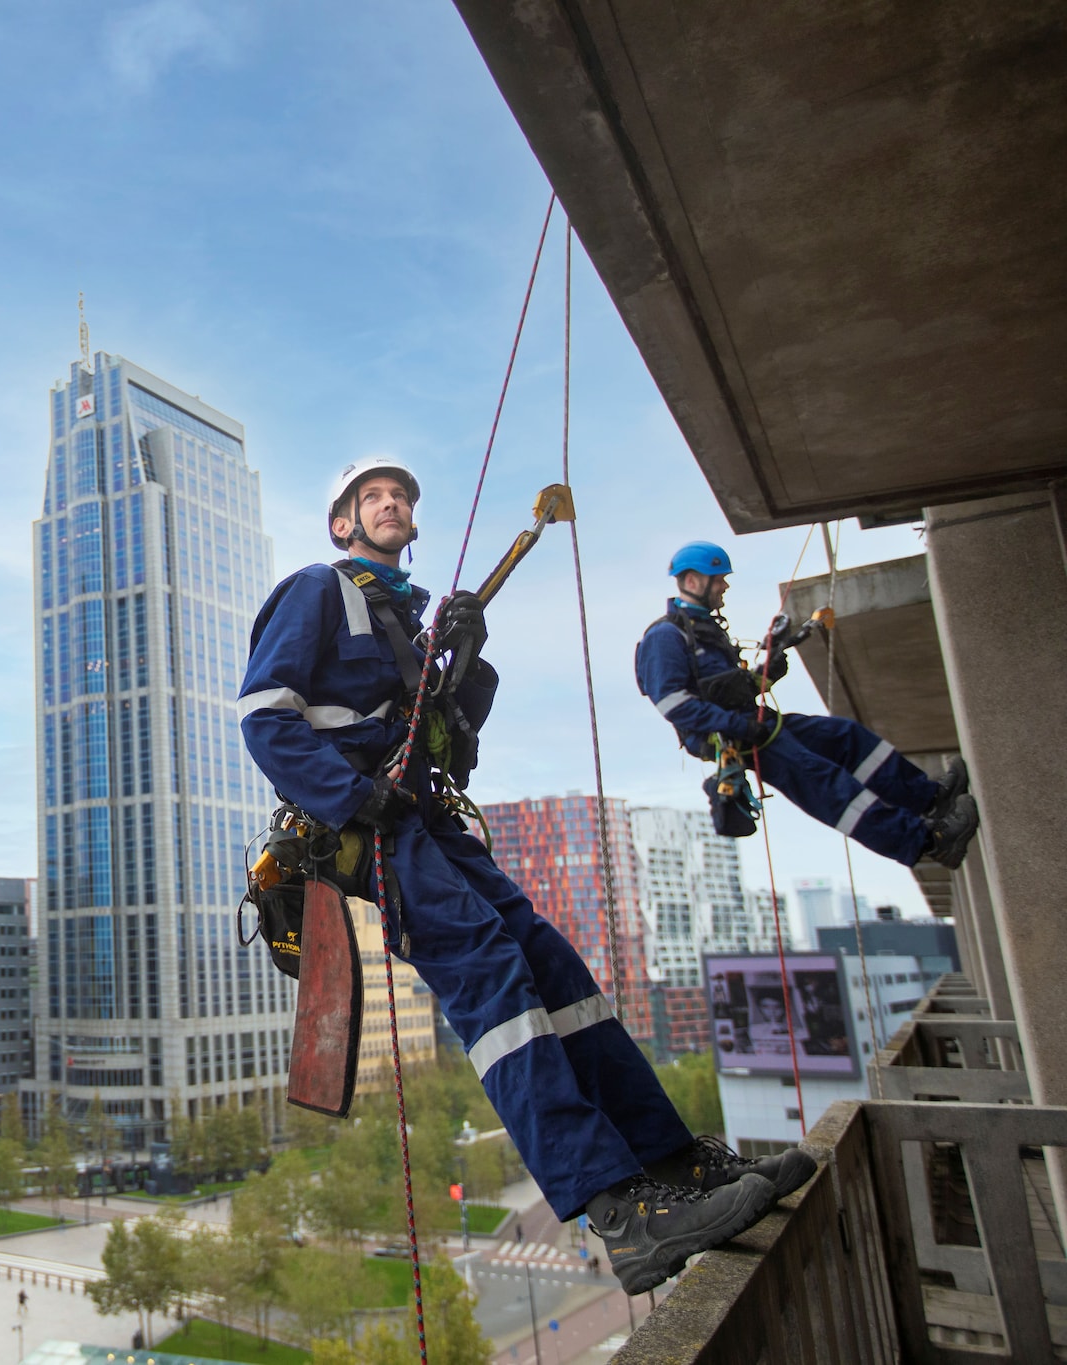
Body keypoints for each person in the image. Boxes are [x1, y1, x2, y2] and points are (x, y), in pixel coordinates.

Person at [238, 459, 814, 1295]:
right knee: (489, 974)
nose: (393, 503)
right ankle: (618, 1211)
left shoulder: (414, 626)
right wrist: (360, 796)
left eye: (402, 496)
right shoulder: (319, 590)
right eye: (374, 498)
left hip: (424, 819)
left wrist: (463, 667)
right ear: (343, 524)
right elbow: (264, 718)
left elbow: (450, 747)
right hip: (368, 828)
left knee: (552, 965)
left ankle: (673, 1162)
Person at [636, 541, 979, 869]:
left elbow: (733, 690)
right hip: (736, 737)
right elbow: (673, 704)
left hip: (753, 724)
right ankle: (929, 842)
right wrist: (740, 726)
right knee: (828, 786)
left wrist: (767, 674)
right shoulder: (665, 636)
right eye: (719, 578)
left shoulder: (704, 629)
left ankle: (930, 799)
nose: (725, 585)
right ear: (694, 580)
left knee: (845, 737)